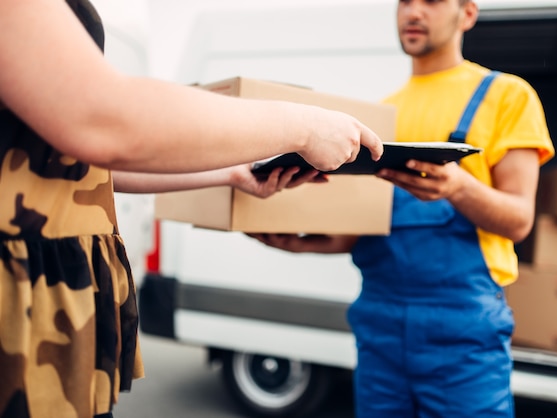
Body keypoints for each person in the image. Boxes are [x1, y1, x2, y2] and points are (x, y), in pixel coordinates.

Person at [0, 0, 385, 417]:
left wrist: (233, 173)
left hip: (48, 290)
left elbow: (91, 164)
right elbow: (103, 119)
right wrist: (306, 127)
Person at [249, 0, 556, 417]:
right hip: (379, 324)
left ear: (467, 13)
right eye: (405, 1)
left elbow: (519, 220)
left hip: (461, 330)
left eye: (431, 1)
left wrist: (458, 186)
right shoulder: (379, 114)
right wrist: (304, 244)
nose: (414, 12)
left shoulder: (507, 96)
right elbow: (375, 226)